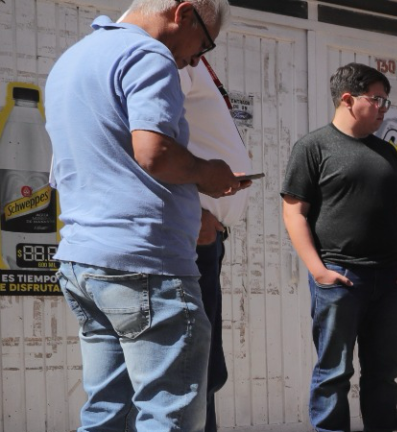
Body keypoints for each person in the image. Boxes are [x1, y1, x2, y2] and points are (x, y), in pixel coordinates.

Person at [44, 0, 245, 430]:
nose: (194, 59)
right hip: (145, 264)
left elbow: (62, 171)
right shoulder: (148, 54)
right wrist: (208, 175)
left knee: (106, 412)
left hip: (85, 262)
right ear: (184, 13)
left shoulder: (72, 59)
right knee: (167, 415)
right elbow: (154, 153)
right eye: (204, 45)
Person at [280, 63, 397, 432]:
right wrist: (319, 271)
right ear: (347, 99)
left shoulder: (387, 152)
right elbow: (294, 214)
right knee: (333, 373)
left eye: (386, 101)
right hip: (341, 278)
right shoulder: (313, 147)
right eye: (377, 100)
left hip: (389, 280)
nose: (383, 108)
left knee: (384, 375)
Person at [181, 59, 254, 432]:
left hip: (206, 237)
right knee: (191, 371)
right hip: (190, 237)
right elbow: (149, 142)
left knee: (204, 368)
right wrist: (192, 210)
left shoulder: (187, 58)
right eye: (205, 37)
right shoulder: (165, 54)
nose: (201, 50)